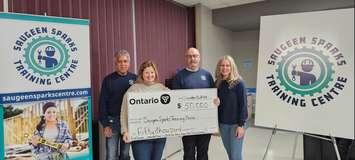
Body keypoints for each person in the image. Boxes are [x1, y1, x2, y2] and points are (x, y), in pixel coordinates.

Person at [172, 47, 215, 160]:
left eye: (195, 56)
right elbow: (175, 101)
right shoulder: (178, 77)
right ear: (186, 58)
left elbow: (213, 97)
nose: (192, 59)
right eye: (189, 56)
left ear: (199, 58)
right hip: (187, 123)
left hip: (205, 122)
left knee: (203, 152)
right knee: (189, 153)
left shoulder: (207, 75)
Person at [121, 60, 168, 160]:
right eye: (147, 72)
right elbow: (124, 111)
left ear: (155, 73)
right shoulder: (134, 89)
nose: (150, 75)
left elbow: (176, 103)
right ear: (141, 74)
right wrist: (125, 131)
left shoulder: (162, 89)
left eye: (152, 72)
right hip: (140, 138)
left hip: (159, 137)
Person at [99, 50, 137, 160]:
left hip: (129, 122)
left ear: (129, 63)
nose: (123, 64)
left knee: (125, 154)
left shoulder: (135, 79)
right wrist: (105, 125)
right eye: (119, 62)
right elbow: (102, 103)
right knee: (111, 155)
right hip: (112, 122)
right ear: (115, 63)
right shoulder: (108, 80)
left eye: (125, 61)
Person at [215, 55, 248, 160]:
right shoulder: (217, 83)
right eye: (222, 65)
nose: (224, 68)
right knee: (230, 153)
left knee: (235, 156)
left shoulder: (239, 83)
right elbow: (216, 103)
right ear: (219, 67)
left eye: (227, 65)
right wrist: (215, 102)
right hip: (223, 124)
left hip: (235, 125)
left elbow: (243, 105)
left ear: (232, 67)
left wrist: (241, 125)